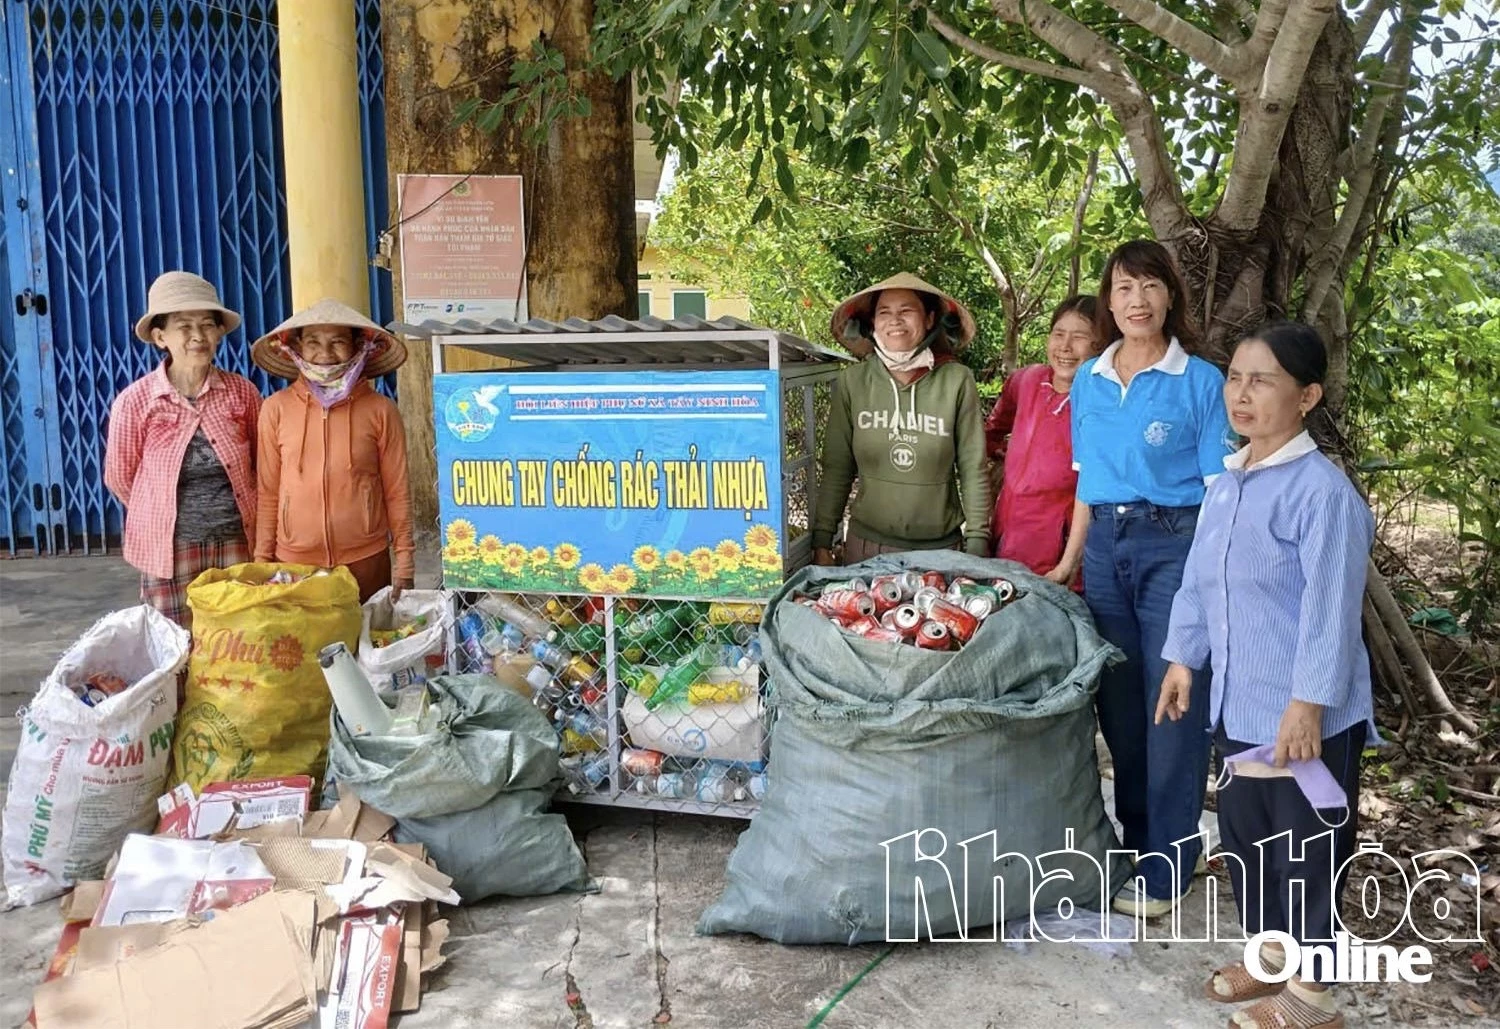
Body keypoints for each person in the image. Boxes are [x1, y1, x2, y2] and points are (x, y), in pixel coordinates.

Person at [1157, 322, 1375, 1029]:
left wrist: (1308, 702)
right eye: (1235, 377)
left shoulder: (1322, 493)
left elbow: (1330, 611)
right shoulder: (1227, 481)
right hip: (1239, 707)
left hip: (1306, 715)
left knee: (1306, 849)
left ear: (1307, 395)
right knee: (1251, 843)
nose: (1241, 394)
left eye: (1263, 380)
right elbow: (1198, 579)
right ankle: (1268, 957)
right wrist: (1183, 657)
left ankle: (1312, 999)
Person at [1063, 240, 1235, 917]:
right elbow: (1087, 484)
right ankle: (1143, 844)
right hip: (1107, 547)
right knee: (1121, 707)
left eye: (1150, 286)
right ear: (1109, 300)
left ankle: (1168, 868)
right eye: (1125, 287)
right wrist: (1071, 559)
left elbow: (1220, 494)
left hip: (1176, 546)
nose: (1137, 300)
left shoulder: (1199, 381)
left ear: (1170, 297)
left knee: (1173, 706)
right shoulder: (1090, 379)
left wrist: (1205, 580)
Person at [105, 272, 261, 630]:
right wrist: (159, 512)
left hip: (236, 543)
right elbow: (120, 477)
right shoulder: (136, 401)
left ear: (220, 332)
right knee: (174, 648)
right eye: (184, 326)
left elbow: (261, 467)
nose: (197, 336)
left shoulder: (242, 394)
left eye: (208, 325)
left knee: (238, 645)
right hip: (169, 550)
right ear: (160, 337)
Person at [811, 272, 991, 564]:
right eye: (884, 312)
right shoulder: (854, 382)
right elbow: (837, 467)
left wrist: (977, 543)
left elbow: (973, 468)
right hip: (866, 549)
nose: (895, 320)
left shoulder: (957, 380)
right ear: (872, 324)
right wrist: (822, 541)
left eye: (906, 311)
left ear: (930, 319)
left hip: (942, 551)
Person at [251, 298, 414, 602]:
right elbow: (268, 491)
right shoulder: (275, 410)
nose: (325, 354)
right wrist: (262, 560)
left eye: (337, 341)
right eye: (313, 342)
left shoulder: (381, 410)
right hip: (295, 562)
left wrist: (404, 557)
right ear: (296, 348)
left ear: (358, 347)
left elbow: (397, 490)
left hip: (366, 559)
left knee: (364, 643)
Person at [984, 295, 1095, 583]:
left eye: (1079, 337)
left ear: (1100, 345)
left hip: (1058, 543)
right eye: (1058, 334)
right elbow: (993, 427)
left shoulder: (1102, 400)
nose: (1065, 347)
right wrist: (996, 450)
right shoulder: (1027, 380)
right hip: (1007, 529)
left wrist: (1070, 561)